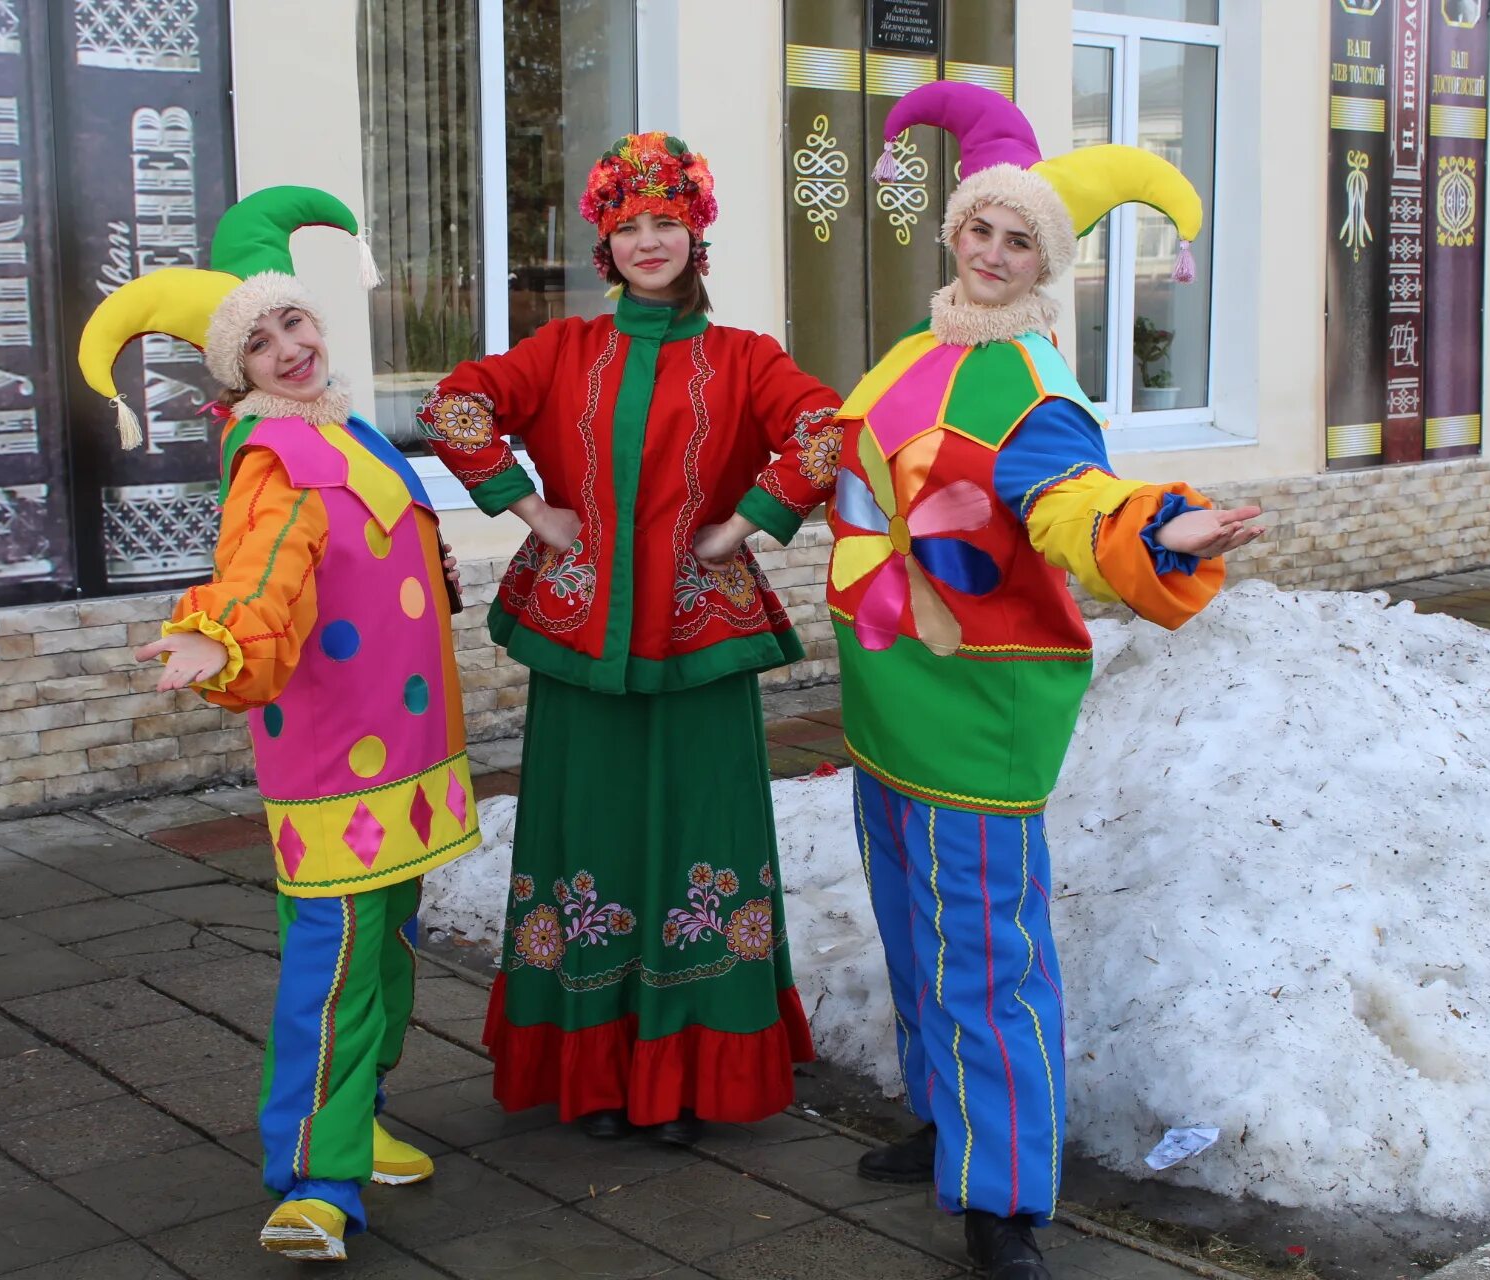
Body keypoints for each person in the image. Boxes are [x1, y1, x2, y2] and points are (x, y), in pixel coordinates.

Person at [829, 84, 1265, 1279]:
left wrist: (1158, 534)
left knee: (984, 950)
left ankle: (1007, 1193)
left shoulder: (1035, 390)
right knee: (912, 931)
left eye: (1020, 240)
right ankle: (944, 1117)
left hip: (978, 706)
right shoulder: (913, 349)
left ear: (1045, 265)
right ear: (954, 232)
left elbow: (1073, 505)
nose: (992, 253)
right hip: (886, 693)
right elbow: (856, 461)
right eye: (981, 229)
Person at [78, 185, 480, 1264]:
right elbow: (263, 572)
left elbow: (393, 555)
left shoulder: (346, 429)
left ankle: (362, 1115)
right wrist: (219, 637)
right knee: (338, 963)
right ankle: (313, 1172)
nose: (288, 346)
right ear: (236, 372)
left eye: (292, 321)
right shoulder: (279, 458)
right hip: (338, 764)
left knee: (390, 953)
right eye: (259, 342)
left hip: (406, 753)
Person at [418, 132, 839, 1143]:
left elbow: (828, 428)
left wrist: (743, 524)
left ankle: (696, 1071)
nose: (650, 240)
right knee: (587, 839)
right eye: (629, 226)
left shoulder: (746, 357)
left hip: (702, 640)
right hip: (580, 643)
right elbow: (454, 405)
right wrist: (531, 509)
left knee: (703, 837)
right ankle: (593, 1071)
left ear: (697, 235)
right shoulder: (563, 351)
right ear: (606, 247)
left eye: (667, 222)